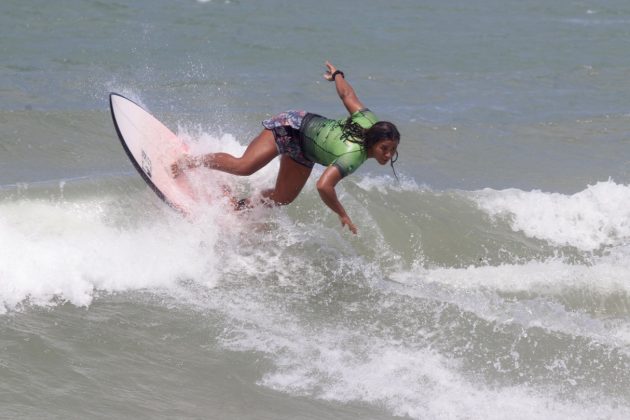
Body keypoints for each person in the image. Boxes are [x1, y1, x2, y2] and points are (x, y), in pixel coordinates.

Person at [171, 61, 400, 234]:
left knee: (282, 197)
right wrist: (342, 213)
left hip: (305, 151)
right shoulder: (353, 155)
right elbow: (324, 186)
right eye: (384, 148)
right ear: (373, 141)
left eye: (392, 150)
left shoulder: (370, 122)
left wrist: (337, 75)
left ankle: (238, 207)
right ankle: (190, 162)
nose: (388, 155)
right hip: (291, 127)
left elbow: (347, 94)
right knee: (245, 166)